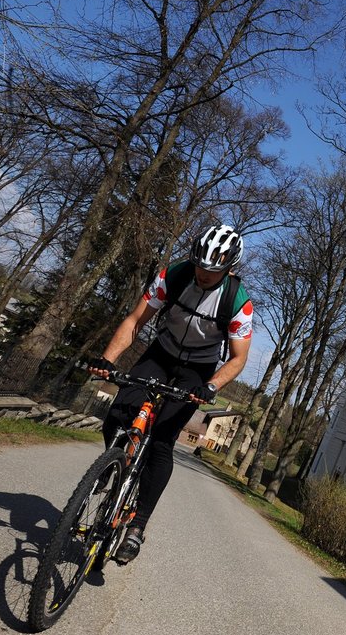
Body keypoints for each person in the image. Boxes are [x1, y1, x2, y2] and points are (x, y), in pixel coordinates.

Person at [87, 224, 252, 564]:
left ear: (229, 268)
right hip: (161, 354)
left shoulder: (238, 302)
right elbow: (135, 320)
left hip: (198, 370)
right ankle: (113, 465)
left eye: (212, 269)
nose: (204, 274)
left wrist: (211, 386)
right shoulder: (173, 276)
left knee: (162, 442)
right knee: (119, 412)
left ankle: (136, 526)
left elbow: (238, 359)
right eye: (200, 266)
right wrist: (107, 359)